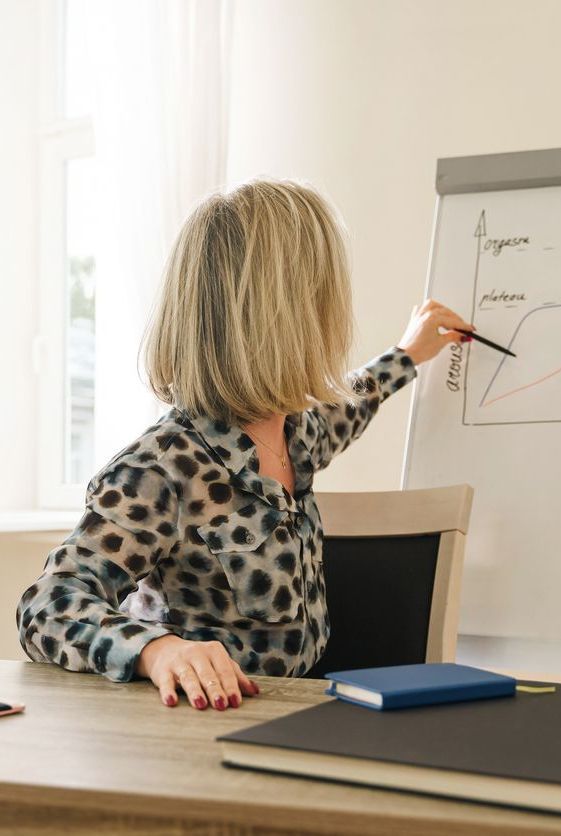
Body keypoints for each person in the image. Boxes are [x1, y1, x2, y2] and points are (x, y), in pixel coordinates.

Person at [15, 179, 474, 711]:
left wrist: (408, 354)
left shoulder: (296, 431)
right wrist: (157, 650)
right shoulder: (161, 469)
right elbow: (47, 605)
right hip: (208, 721)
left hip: (300, 706)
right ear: (294, 317)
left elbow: (348, 409)